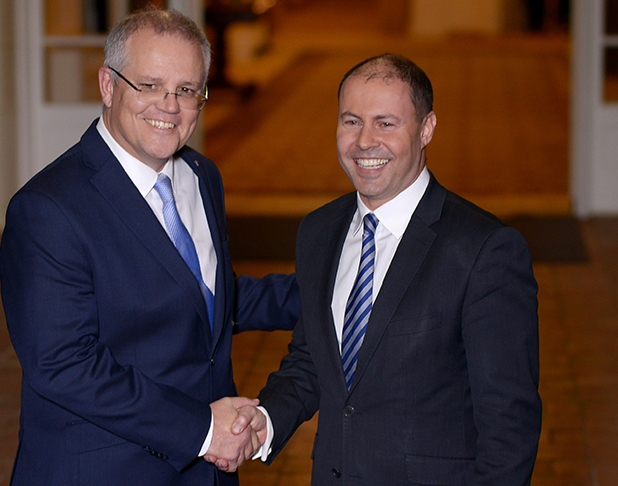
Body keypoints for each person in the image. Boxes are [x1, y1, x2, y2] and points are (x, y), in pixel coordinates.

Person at [0, 6, 298, 486]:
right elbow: (64, 364)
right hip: (105, 471)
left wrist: (329, 293)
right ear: (107, 85)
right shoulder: (48, 209)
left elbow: (203, 299)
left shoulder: (201, 175)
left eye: (186, 90)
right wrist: (203, 430)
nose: (169, 106)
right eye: (150, 85)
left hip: (206, 472)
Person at [231, 53, 542, 485]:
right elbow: (314, 358)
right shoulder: (319, 231)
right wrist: (267, 420)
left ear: (426, 128)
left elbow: (509, 428)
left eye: (385, 123)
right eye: (351, 121)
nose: (364, 141)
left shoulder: (484, 250)